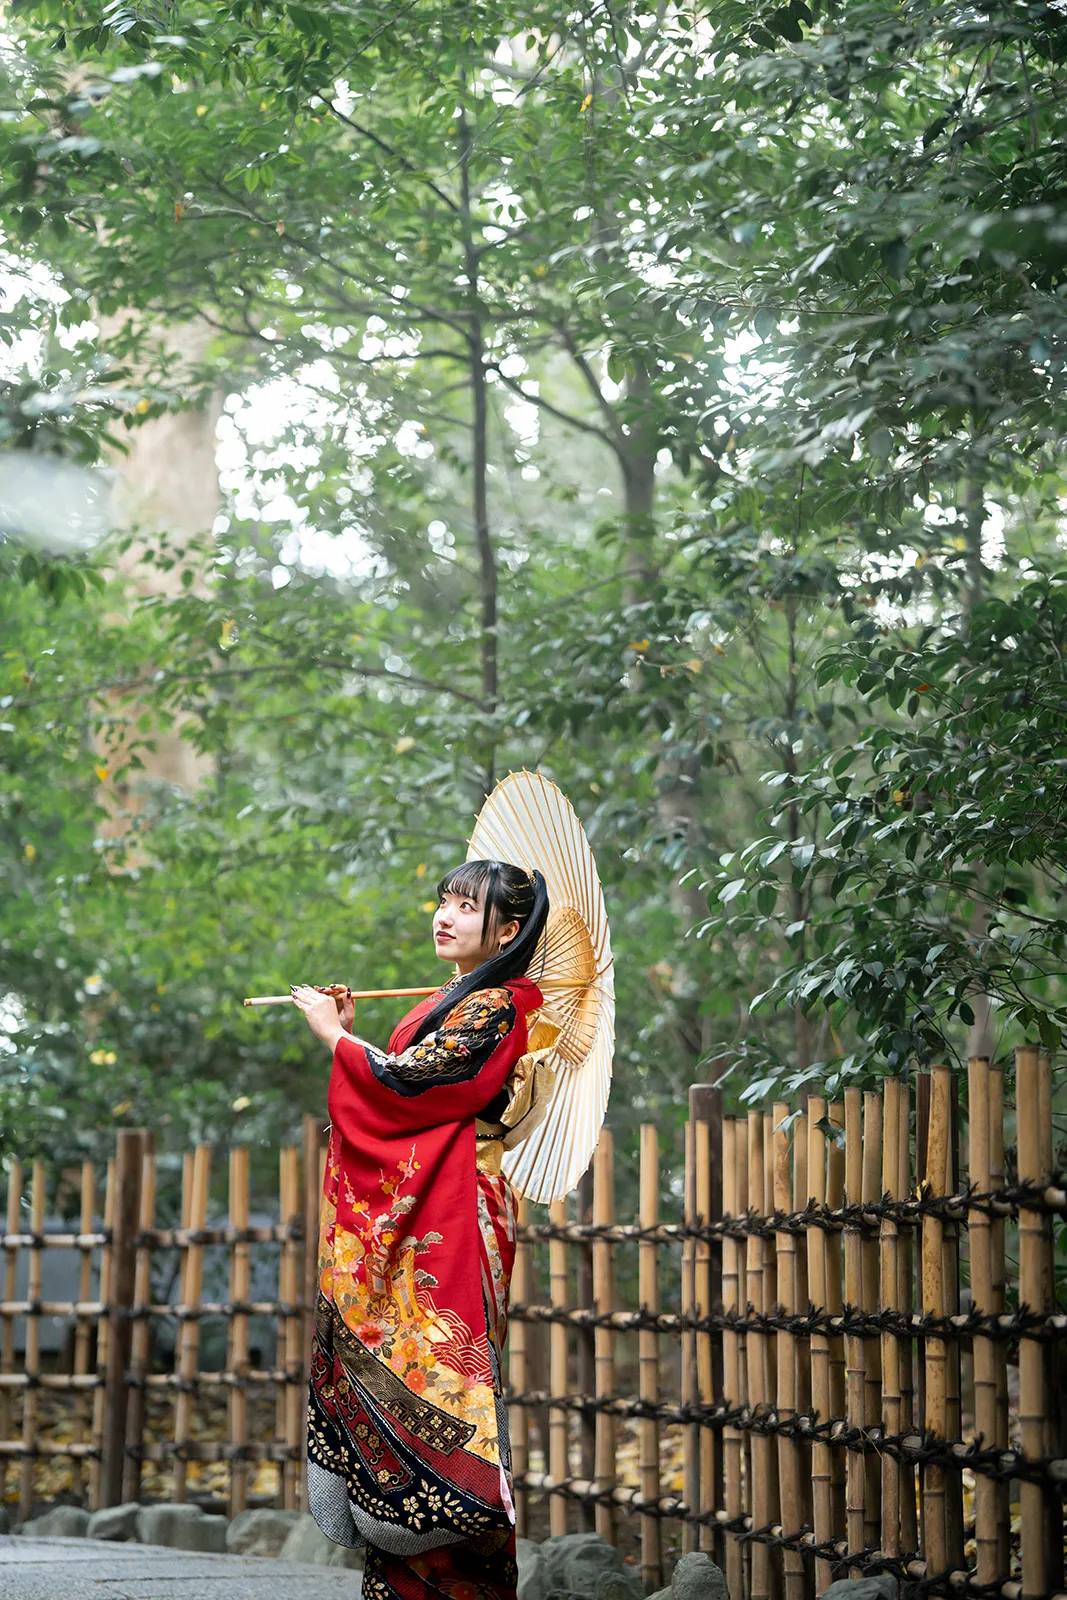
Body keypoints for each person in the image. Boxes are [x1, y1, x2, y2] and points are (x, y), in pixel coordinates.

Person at [291, 859, 551, 1600]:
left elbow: (410, 1088)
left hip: (456, 1210)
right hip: (439, 1197)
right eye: (443, 900)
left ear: (506, 931)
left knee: (444, 1379)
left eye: (466, 907)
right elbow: (411, 1077)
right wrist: (349, 1035)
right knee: (410, 1378)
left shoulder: (499, 1004)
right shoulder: (461, 1000)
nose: (444, 915)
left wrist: (333, 1040)